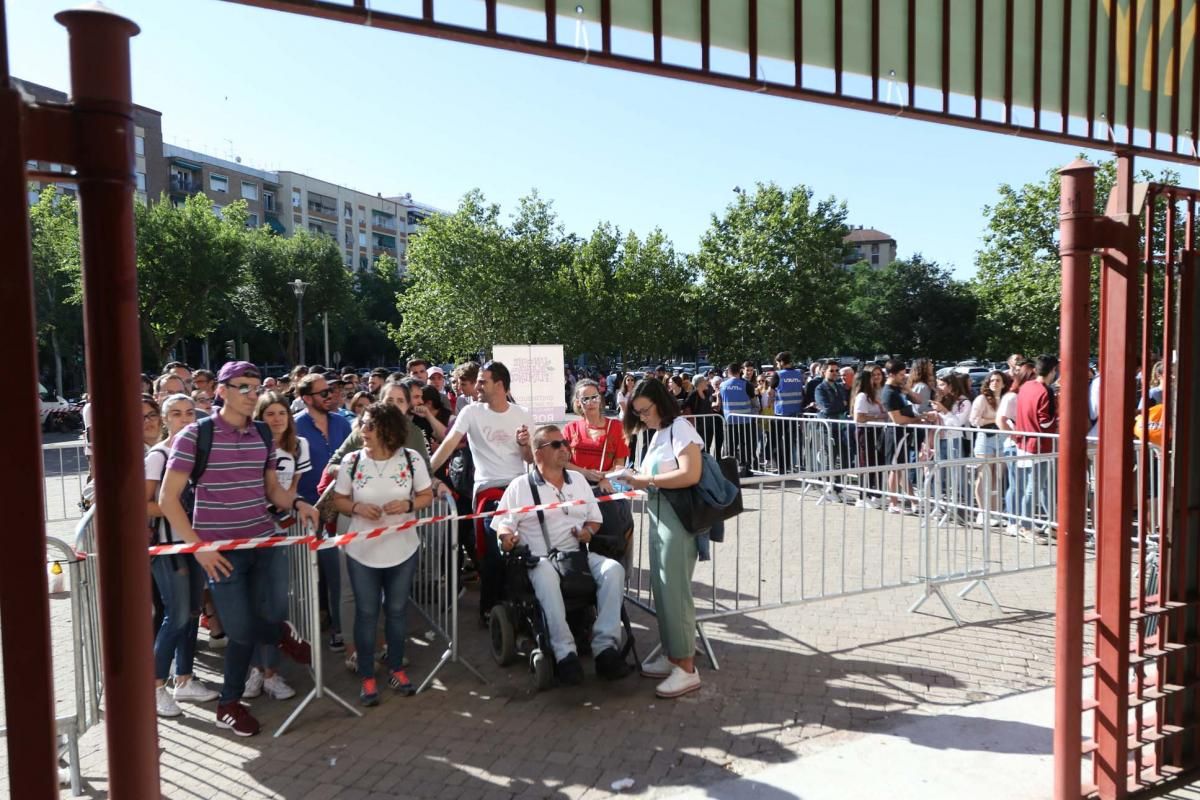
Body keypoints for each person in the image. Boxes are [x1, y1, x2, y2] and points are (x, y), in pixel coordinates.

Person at [159, 361, 318, 737]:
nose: (251, 394)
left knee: (255, 621)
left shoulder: (263, 433)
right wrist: (198, 549)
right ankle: (239, 689)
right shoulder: (195, 436)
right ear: (222, 390)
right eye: (242, 387)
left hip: (262, 542)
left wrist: (297, 504)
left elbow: (271, 490)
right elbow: (167, 499)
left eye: (255, 387)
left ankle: (234, 698)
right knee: (240, 628)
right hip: (219, 552)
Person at [495, 425, 630, 683]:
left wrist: (588, 533)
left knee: (613, 569)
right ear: (538, 454)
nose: (564, 449)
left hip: (576, 557)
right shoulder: (520, 486)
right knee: (545, 573)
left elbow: (595, 520)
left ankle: (605, 649)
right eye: (555, 445)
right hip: (540, 558)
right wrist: (506, 538)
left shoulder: (578, 481)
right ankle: (564, 652)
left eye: (565, 443)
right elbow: (503, 524)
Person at [332, 402, 433, 705]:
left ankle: (397, 668)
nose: (363, 430)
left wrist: (409, 505)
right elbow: (338, 499)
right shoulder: (351, 461)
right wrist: (356, 507)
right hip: (362, 550)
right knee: (366, 613)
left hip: (403, 547)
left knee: (398, 611)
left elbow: (426, 494)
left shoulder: (412, 459)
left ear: (388, 429)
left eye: (369, 425)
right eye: (362, 424)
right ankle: (367, 676)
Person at [430, 361, 533, 622]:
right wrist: (424, 472)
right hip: (489, 492)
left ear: (499, 385)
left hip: (520, 489)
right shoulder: (471, 413)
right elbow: (449, 444)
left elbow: (531, 459)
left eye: (482, 381)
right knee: (494, 550)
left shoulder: (522, 413)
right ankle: (490, 609)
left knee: (529, 549)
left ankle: (525, 606)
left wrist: (525, 445)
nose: (476, 386)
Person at [620, 378, 704, 698]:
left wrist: (647, 479)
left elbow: (690, 474)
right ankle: (674, 657)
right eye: (638, 412)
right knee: (662, 588)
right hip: (660, 519)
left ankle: (686, 668)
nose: (642, 417)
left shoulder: (680, 428)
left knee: (675, 591)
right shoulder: (660, 434)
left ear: (660, 403)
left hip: (677, 521)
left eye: (645, 410)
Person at [145, 393, 219, 717]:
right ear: (165, 419)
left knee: (190, 615)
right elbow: (142, 502)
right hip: (169, 546)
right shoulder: (158, 456)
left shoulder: (199, 455)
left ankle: (184, 679)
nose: (185, 419)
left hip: (196, 545)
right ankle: (155, 685)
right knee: (174, 615)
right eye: (176, 414)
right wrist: (175, 508)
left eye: (190, 413)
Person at [242, 391, 312, 702]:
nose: (277, 419)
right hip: (249, 533)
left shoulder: (299, 446)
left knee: (277, 604)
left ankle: (270, 671)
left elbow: (291, 489)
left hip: (282, 533)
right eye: (269, 413)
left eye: (281, 412)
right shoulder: (249, 446)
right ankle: (257, 669)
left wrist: (288, 513)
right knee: (253, 605)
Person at [294, 372, 353, 652]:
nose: (331, 396)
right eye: (324, 393)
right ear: (306, 399)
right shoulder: (294, 428)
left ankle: (340, 628)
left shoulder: (342, 422)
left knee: (336, 569)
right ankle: (313, 623)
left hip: (338, 509)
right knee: (311, 574)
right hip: (305, 512)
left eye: (331, 392)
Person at [881, 360, 939, 514]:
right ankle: (893, 502)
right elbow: (897, 419)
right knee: (895, 468)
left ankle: (913, 500)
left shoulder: (899, 389)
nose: (904, 376)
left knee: (901, 468)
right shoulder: (888, 393)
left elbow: (919, 401)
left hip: (904, 433)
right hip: (896, 433)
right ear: (892, 374)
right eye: (900, 374)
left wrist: (907, 390)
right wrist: (919, 419)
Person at [1015, 355, 1059, 538]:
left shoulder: (1025, 387)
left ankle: (1053, 523)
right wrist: (1059, 416)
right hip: (1039, 444)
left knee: (1042, 486)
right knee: (1035, 486)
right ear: (1052, 371)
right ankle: (1025, 526)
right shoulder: (1045, 391)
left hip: (1024, 441)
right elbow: (1045, 421)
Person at [563, 379, 629, 493]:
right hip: (575, 488)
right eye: (585, 399)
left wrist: (606, 478)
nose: (591, 402)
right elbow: (561, 461)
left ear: (600, 399)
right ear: (578, 402)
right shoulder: (570, 428)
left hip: (605, 488)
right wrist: (584, 473)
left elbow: (619, 463)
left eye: (594, 397)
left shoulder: (616, 427)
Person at [930, 373, 972, 525]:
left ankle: (963, 509)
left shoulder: (963, 402)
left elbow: (957, 422)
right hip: (940, 438)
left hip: (954, 439)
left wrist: (943, 410)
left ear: (951, 385)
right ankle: (939, 506)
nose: (939, 388)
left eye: (942, 384)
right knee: (939, 474)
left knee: (957, 476)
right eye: (938, 384)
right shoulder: (942, 399)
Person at [970, 371, 1010, 527]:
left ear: (1004, 383)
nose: (995, 383)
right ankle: (982, 512)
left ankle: (994, 511)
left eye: (998, 380)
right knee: (983, 474)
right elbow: (974, 420)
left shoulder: (1005, 399)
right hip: (986, 438)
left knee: (996, 476)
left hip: (1001, 438)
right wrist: (996, 419)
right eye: (992, 380)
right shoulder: (981, 399)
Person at [998, 361, 1030, 533]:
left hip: (1025, 445)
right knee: (1016, 484)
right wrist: (1015, 436)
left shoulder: (1025, 395)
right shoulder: (1011, 397)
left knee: (1024, 485)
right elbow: (1000, 420)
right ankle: (1012, 520)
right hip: (1014, 445)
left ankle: (1022, 521)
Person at [814, 360, 851, 503]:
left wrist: (842, 405)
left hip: (841, 427)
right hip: (828, 428)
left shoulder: (839, 387)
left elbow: (845, 404)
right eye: (832, 370)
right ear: (824, 372)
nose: (835, 373)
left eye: (837, 370)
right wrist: (841, 405)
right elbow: (827, 407)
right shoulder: (820, 389)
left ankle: (838, 488)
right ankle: (830, 489)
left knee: (844, 459)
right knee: (831, 458)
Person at [851, 366, 888, 508]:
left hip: (878, 430)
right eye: (874, 375)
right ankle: (862, 496)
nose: (877, 377)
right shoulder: (863, 396)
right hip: (865, 431)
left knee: (878, 463)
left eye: (879, 374)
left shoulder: (880, 392)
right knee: (866, 462)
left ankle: (876, 494)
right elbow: (859, 417)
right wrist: (880, 416)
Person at [772, 352, 806, 474]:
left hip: (781, 413)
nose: (777, 365)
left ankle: (781, 467)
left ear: (781, 362)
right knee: (789, 441)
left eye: (777, 363)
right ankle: (787, 466)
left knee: (777, 440)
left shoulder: (778, 375)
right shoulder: (798, 374)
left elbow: (770, 392)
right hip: (795, 413)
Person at [719, 363, 755, 476]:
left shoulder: (723, 385)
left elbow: (719, 403)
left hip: (729, 421)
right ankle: (745, 468)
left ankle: (731, 471)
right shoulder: (747, 385)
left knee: (730, 446)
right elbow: (754, 402)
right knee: (746, 445)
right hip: (745, 421)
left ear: (728, 372)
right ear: (739, 371)